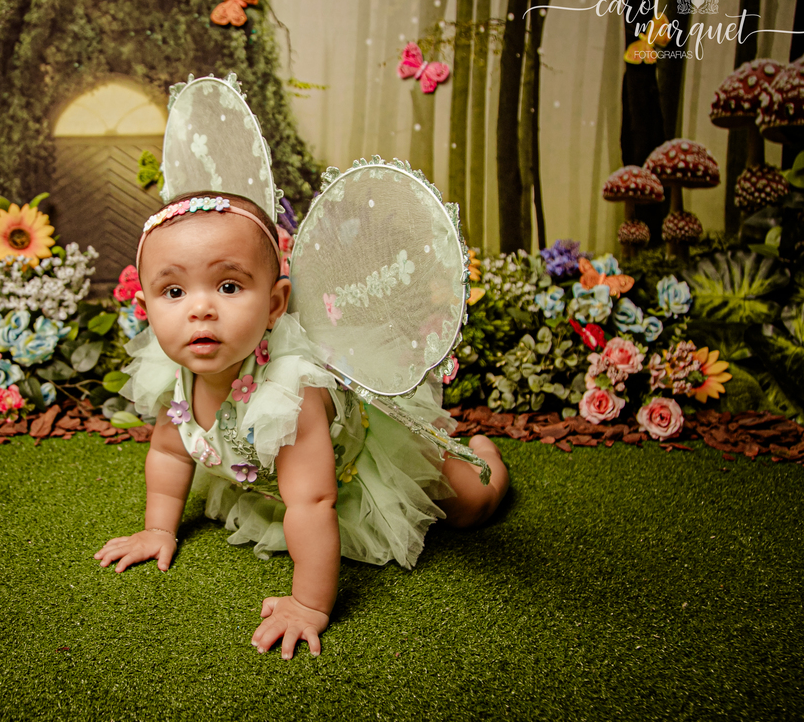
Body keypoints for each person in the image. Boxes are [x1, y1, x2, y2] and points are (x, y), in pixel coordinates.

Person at [94, 191, 509, 660]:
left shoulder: (289, 391)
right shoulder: (176, 371)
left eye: (229, 286)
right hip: (282, 486)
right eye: (174, 291)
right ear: (146, 304)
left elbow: (313, 501)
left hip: (362, 463)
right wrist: (158, 530)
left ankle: (485, 453)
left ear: (275, 303)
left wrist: (309, 605)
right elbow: (170, 453)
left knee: (471, 503)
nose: (200, 309)